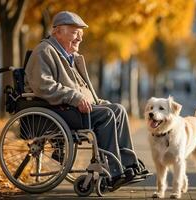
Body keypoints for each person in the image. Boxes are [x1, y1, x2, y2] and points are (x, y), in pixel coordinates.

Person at [24, 11, 149, 188]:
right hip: (56, 110)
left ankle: (129, 164)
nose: (80, 39)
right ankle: (113, 171)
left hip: (70, 108)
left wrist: (99, 102)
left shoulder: (70, 57)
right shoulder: (44, 51)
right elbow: (44, 86)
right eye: (75, 33)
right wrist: (75, 98)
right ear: (58, 31)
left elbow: (83, 90)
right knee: (106, 115)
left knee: (118, 110)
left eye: (81, 34)